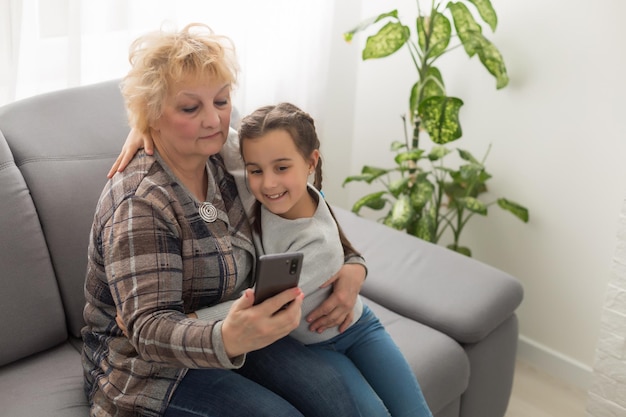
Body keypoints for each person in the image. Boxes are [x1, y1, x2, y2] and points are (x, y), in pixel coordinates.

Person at [82, 23, 369, 417]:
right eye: (189, 108)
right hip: (147, 369)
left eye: (221, 101)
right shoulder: (141, 202)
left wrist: (353, 261)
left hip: (237, 325)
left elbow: (298, 197)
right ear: (152, 115)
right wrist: (225, 336)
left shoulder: (224, 158)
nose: (214, 120)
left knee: (337, 399)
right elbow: (146, 330)